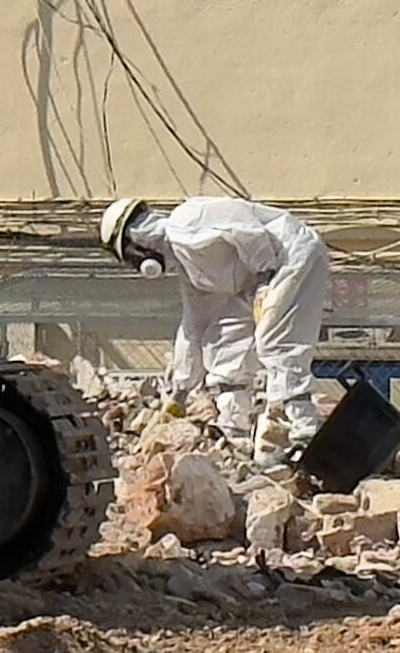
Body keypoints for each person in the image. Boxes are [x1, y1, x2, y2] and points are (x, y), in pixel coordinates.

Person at [102, 196, 330, 463]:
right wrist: (179, 392)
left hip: (289, 256)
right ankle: (234, 434)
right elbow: (194, 327)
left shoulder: (187, 219)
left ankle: (304, 433)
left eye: (131, 256)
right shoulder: (190, 269)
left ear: (137, 241)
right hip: (259, 279)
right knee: (221, 337)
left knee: (274, 342)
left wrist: (265, 272)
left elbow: (245, 228)